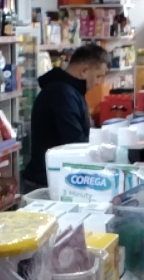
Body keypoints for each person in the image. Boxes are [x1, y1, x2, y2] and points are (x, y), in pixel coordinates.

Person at [21, 43, 111, 191]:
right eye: (98, 76)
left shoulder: (69, 90)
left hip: (54, 178)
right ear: (84, 71)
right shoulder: (62, 93)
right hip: (46, 182)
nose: (98, 83)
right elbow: (75, 143)